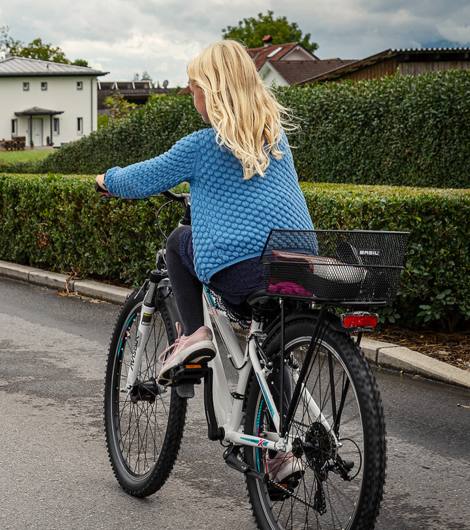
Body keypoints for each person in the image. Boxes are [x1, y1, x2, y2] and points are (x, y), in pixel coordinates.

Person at [96, 40, 314, 486]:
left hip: (245, 270)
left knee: (179, 241)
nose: (192, 97)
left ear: (210, 93)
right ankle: (280, 451)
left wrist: (106, 180)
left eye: (194, 88)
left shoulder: (201, 146)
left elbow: (142, 178)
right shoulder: (276, 139)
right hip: (302, 268)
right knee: (273, 345)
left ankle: (194, 336)